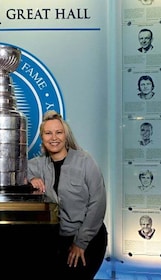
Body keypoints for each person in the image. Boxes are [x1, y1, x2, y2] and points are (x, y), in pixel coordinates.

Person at [27, 110, 107, 280]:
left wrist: (80, 243)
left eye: (58, 132)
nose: (54, 137)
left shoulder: (85, 161)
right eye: (48, 133)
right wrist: (31, 178)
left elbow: (98, 204)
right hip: (58, 240)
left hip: (89, 237)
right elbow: (15, 171)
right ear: (42, 137)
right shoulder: (38, 165)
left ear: (65, 135)